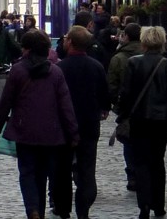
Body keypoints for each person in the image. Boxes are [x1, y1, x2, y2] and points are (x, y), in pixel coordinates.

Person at [0, 29, 79, 219]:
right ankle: (37, 208)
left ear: (27, 50)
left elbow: (5, 102)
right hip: (51, 133)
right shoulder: (56, 72)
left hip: (25, 131)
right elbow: (66, 106)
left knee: (28, 172)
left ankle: (33, 209)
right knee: (43, 174)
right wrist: (73, 134)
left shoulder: (17, 71)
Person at [118, 26, 167, 219]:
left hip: (139, 120)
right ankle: (159, 205)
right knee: (157, 161)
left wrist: (122, 116)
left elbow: (126, 93)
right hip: (162, 121)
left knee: (141, 162)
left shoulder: (133, 63)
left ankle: (144, 205)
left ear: (144, 42)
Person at [52, 26, 111, 219]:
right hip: (88, 124)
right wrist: (103, 109)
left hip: (63, 125)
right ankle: (83, 207)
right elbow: (104, 96)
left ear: (70, 42)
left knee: (62, 168)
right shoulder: (96, 66)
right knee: (87, 168)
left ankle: (63, 208)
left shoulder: (60, 69)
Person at [106, 22, 142, 191]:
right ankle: (145, 174)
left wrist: (116, 105)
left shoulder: (118, 58)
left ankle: (133, 175)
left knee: (129, 142)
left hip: (127, 107)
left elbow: (112, 86)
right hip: (148, 108)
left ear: (126, 37)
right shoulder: (150, 54)